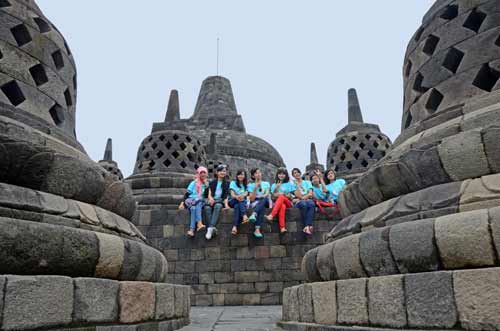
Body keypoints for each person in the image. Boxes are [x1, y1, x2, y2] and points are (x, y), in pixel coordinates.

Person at [178, 166, 208, 237]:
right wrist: (182, 203)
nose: (203, 174)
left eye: (204, 173)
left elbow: (206, 196)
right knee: (195, 205)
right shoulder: (193, 183)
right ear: (198, 174)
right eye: (201, 173)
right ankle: (199, 223)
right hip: (191, 201)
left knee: (196, 205)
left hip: (200, 201)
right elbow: (186, 195)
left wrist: (206, 186)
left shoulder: (206, 184)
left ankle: (191, 230)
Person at [204, 164, 230, 240]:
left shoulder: (227, 183)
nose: (223, 172)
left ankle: (210, 227)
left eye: (224, 171)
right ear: (217, 172)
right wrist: (211, 198)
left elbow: (226, 196)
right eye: (221, 171)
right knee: (206, 208)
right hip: (212, 200)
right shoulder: (212, 182)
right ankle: (212, 228)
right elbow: (208, 193)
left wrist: (226, 205)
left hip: (219, 201)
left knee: (218, 206)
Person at [265, 168, 293, 234]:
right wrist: (276, 189)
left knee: (281, 197)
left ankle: (271, 215)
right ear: (277, 175)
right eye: (280, 174)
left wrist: (281, 194)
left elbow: (290, 196)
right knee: (282, 206)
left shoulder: (289, 184)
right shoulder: (274, 185)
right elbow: (273, 197)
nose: (281, 175)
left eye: (283, 174)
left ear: (286, 175)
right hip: (279, 203)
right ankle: (282, 228)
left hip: (288, 203)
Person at [291, 168, 315, 235]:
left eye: (297, 172)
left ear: (300, 173)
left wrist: (302, 198)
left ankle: (306, 226)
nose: (297, 174)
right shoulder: (293, 185)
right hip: (299, 202)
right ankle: (308, 226)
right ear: (293, 176)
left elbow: (310, 193)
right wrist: (298, 185)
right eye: (294, 173)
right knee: (303, 204)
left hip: (306, 199)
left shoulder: (307, 182)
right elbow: (298, 195)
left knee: (312, 204)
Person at [247, 168, 271, 238]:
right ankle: (257, 229)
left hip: (265, 200)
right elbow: (252, 198)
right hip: (256, 202)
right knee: (262, 208)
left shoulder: (266, 183)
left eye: (259, 172)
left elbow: (267, 193)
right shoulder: (250, 185)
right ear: (253, 176)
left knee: (264, 199)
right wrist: (255, 188)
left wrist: (262, 196)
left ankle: (254, 213)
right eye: (256, 173)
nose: (258, 174)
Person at [229, 169, 249, 235]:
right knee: (240, 201)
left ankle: (235, 227)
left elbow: (246, 193)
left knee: (237, 206)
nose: (240, 176)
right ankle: (244, 215)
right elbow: (232, 194)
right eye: (239, 174)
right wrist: (237, 197)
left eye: (242, 174)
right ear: (237, 176)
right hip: (233, 201)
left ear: (245, 176)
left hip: (241, 202)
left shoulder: (246, 185)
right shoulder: (233, 183)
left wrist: (242, 196)